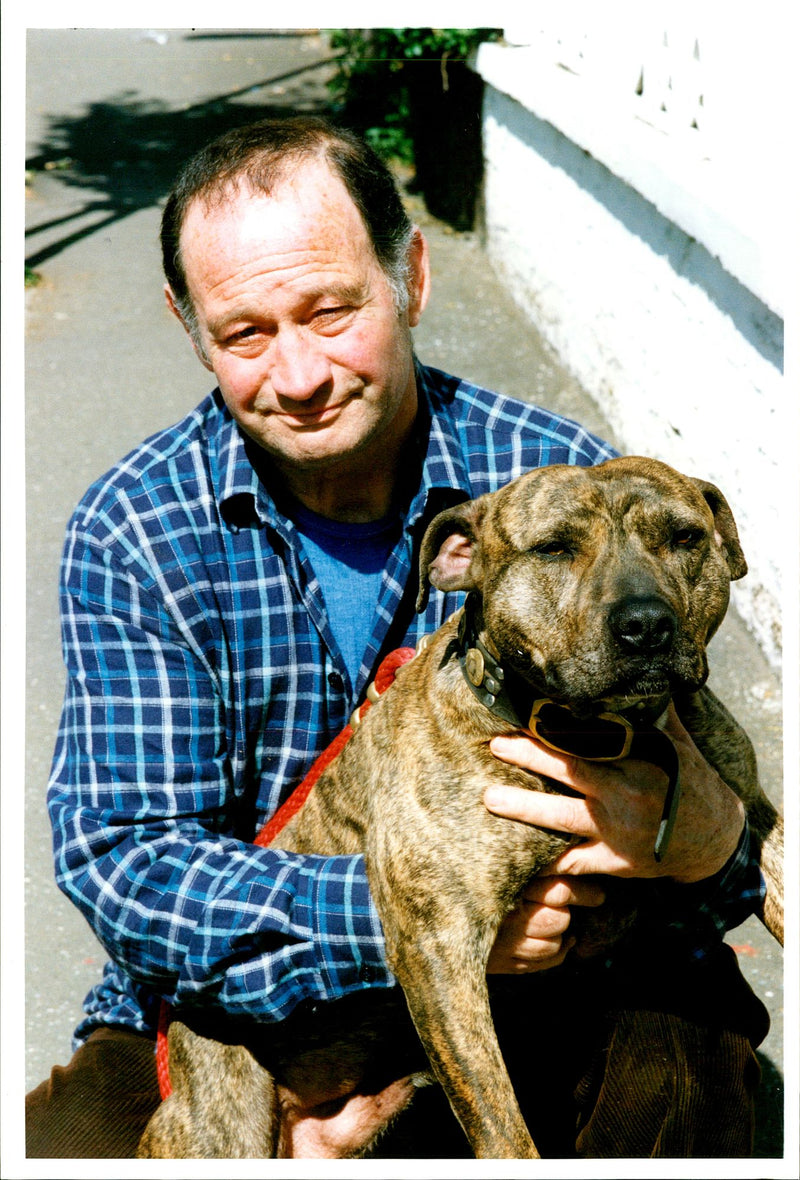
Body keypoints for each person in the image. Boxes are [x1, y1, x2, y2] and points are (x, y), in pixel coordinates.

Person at [27, 116, 770, 1159]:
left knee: (685, 1092)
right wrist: (411, 923)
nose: (297, 375)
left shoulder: (557, 483)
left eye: (330, 311)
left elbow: (715, 803)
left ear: (411, 277)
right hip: (249, 997)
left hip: (568, 966)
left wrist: (706, 843)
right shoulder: (137, 529)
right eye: (244, 333)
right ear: (188, 327)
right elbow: (126, 861)